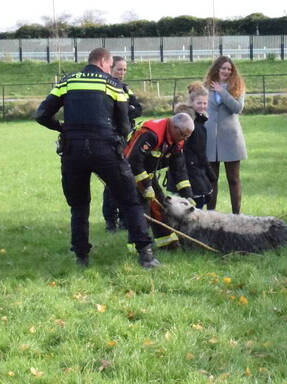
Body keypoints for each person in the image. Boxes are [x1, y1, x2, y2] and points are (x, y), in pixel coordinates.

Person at [34, 47, 158, 269]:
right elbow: (124, 125)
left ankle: (81, 257)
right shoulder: (113, 85)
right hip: (106, 149)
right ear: (103, 61)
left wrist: (62, 128)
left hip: (73, 151)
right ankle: (146, 255)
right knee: (130, 201)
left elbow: (41, 114)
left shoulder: (68, 81)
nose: (112, 70)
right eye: (111, 66)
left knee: (79, 206)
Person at [124, 112, 195, 252]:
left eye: (188, 136)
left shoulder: (177, 140)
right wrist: (146, 186)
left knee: (161, 208)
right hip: (129, 171)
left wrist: (187, 195)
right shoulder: (151, 134)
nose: (185, 140)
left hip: (146, 173)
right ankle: (139, 249)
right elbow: (133, 161)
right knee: (142, 209)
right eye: (184, 135)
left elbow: (179, 168)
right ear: (174, 128)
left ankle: (168, 245)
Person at [102, 56, 141, 232]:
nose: (122, 73)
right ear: (110, 68)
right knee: (111, 181)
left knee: (126, 180)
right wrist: (125, 112)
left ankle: (126, 219)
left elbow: (138, 108)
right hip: (110, 139)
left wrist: (125, 112)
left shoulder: (125, 88)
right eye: (119, 69)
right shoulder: (104, 87)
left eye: (125, 69)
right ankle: (111, 221)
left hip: (126, 140)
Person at [203, 56, 247, 214]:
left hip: (231, 138)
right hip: (210, 138)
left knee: (233, 179)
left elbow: (237, 108)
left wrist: (223, 92)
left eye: (229, 69)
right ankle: (211, 214)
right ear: (217, 69)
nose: (226, 71)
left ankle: (237, 215)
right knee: (211, 179)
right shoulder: (206, 86)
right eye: (223, 68)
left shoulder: (238, 86)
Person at [168, 82, 217, 209]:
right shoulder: (193, 125)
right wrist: (210, 172)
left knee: (189, 202)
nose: (202, 106)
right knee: (195, 202)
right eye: (199, 103)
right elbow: (200, 152)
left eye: (205, 103)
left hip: (189, 167)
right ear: (191, 103)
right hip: (189, 169)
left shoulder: (195, 122)